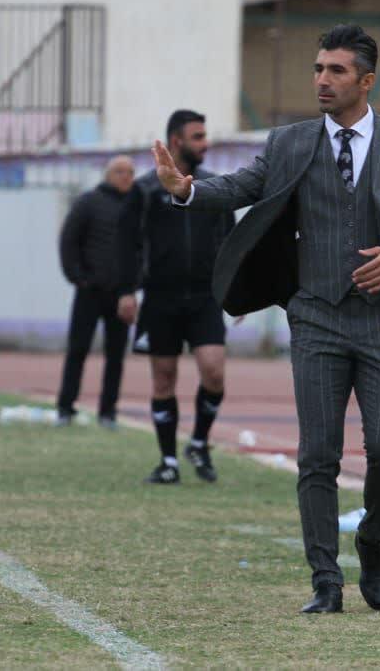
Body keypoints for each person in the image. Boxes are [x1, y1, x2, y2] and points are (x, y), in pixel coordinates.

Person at [152, 25, 380, 613]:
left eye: (336, 70)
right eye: (318, 68)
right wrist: (186, 191)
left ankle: (371, 536)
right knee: (317, 455)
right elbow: (240, 187)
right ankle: (325, 580)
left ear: (366, 81)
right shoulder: (290, 142)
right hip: (316, 317)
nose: (322, 79)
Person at [118, 110, 235, 484]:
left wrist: (236, 288)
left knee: (214, 372)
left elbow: (230, 242)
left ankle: (199, 442)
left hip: (204, 297)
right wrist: (126, 291)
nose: (205, 143)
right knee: (163, 379)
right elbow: (128, 245)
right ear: (175, 141)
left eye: (205, 135)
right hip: (160, 298)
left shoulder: (213, 186)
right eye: (197, 137)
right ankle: (168, 462)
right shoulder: (145, 190)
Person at [56, 155, 138, 429]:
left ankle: (108, 412)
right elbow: (69, 240)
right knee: (78, 350)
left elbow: (143, 248)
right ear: (108, 175)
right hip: (90, 291)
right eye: (120, 171)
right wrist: (78, 277)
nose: (126, 177)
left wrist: (133, 286)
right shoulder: (88, 202)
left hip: (122, 295)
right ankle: (65, 408)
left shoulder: (136, 205)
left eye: (130, 172)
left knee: (116, 356)